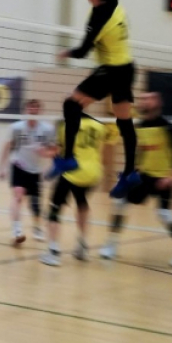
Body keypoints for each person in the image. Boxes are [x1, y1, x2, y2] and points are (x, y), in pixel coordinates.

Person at [53, 0, 140, 200]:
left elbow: (82, 52)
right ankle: (130, 172)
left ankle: (68, 158)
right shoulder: (113, 0)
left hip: (111, 71)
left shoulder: (98, 19)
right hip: (128, 68)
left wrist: (66, 53)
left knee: (71, 105)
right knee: (125, 123)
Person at [102, 92, 172, 269]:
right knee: (120, 202)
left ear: (158, 102)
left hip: (164, 178)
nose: (144, 101)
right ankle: (111, 245)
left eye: (148, 99)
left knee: (165, 214)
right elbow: (142, 150)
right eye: (142, 99)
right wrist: (133, 170)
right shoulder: (140, 126)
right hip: (145, 177)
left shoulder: (168, 126)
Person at [40, 107, 109, 266]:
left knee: (54, 208)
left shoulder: (64, 125)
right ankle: (82, 246)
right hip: (93, 173)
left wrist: (46, 154)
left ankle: (53, 252)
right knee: (81, 203)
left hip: (73, 172)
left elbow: (57, 150)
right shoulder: (98, 125)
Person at [0, 99, 54, 245]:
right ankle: (17, 231)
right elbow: (7, 146)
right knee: (18, 195)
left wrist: (46, 154)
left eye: (36, 108)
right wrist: (1, 167)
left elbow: (54, 150)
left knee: (35, 204)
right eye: (30, 108)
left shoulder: (47, 129)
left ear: (40, 111)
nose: (33, 111)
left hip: (36, 169)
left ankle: (37, 228)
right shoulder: (16, 127)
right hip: (19, 165)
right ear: (25, 110)